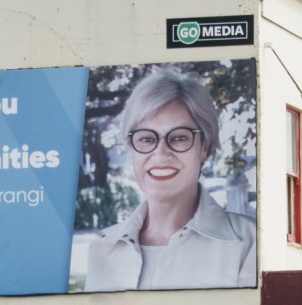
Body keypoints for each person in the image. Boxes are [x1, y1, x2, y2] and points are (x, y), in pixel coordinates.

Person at [84, 69, 256, 292]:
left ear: (205, 147)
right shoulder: (102, 248)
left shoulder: (248, 244)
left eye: (179, 138)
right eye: (146, 138)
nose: (161, 153)